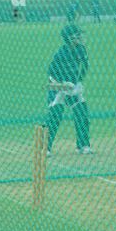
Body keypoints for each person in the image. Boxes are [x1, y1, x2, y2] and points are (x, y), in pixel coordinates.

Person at [44, 25, 93, 156]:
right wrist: (61, 85)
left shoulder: (81, 50)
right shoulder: (61, 53)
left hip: (72, 87)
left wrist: (79, 83)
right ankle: (45, 148)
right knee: (55, 115)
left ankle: (83, 145)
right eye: (77, 35)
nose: (80, 38)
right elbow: (51, 75)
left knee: (81, 112)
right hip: (58, 86)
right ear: (70, 38)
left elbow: (84, 67)